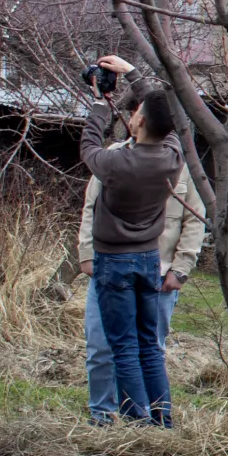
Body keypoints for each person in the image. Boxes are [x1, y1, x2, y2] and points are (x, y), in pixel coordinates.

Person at [80, 57, 185, 428]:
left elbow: (89, 144)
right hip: (148, 260)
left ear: (138, 121)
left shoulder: (115, 163)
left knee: (122, 346)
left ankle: (138, 421)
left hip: (114, 263)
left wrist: (97, 103)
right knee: (148, 348)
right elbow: (166, 117)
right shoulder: (172, 158)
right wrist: (133, 75)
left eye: (138, 110)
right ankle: (161, 418)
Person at [79, 156, 208, 425]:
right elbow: (91, 208)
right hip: (109, 270)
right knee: (101, 347)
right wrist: (88, 256)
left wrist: (181, 267)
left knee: (149, 350)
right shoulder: (112, 158)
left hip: (158, 277)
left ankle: (148, 420)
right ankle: (103, 415)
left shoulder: (183, 166)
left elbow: (195, 218)